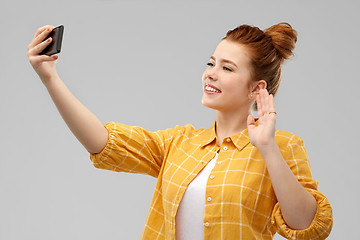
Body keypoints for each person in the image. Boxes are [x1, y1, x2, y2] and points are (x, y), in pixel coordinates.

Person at [27, 22, 333, 239]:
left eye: (227, 68)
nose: (211, 74)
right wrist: (50, 78)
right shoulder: (179, 142)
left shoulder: (282, 146)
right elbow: (104, 142)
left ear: (257, 88)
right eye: (211, 62)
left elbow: (309, 226)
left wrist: (266, 147)